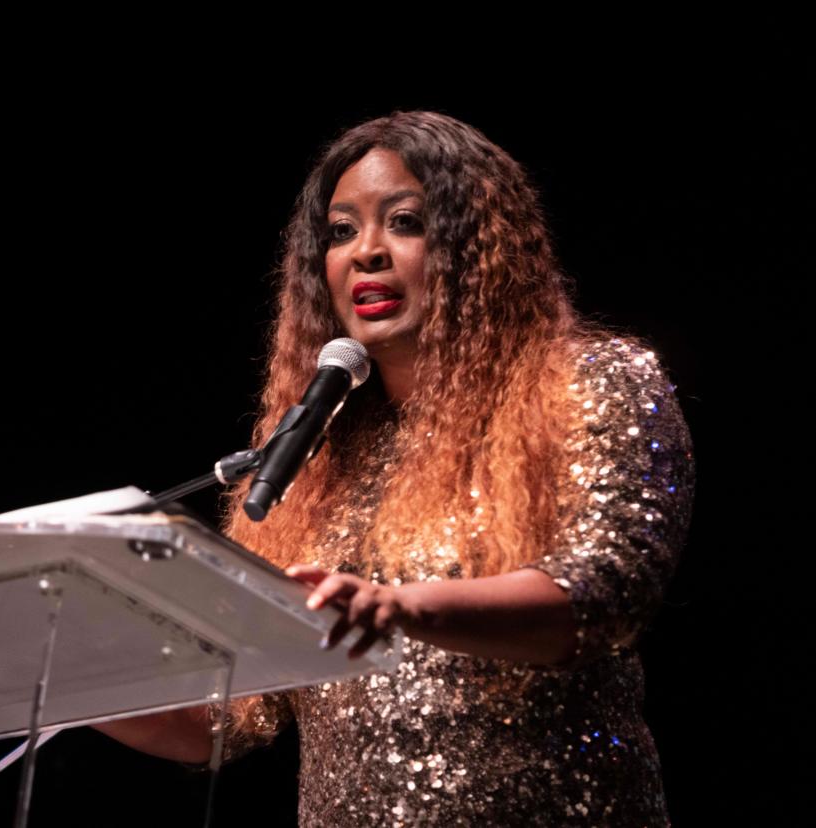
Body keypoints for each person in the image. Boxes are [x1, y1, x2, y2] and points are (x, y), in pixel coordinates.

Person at [94, 111, 694, 826]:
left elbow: (602, 596)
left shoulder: (588, 386)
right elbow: (228, 721)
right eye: (341, 232)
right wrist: (62, 675)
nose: (365, 254)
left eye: (404, 222)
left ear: (480, 246)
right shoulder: (321, 457)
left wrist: (400, 606)